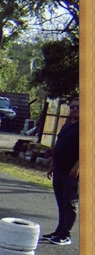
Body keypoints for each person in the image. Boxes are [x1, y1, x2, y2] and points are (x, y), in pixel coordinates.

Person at [43, 97, 79, 246]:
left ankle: (65, 235)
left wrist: (77, 167)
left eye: (78, 107)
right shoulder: (67, 125)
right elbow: (58, 146)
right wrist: (51, 166)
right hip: (59, 168)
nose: (74, 109)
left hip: (72, 172)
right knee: (61, 202)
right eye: (72, 107)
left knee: (70, 203)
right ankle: (59, 231)